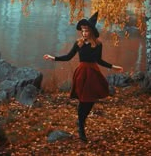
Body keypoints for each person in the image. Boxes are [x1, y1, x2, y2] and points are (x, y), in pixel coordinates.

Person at [43, 12, 123, 142]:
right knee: (83, 99)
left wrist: (114, 67)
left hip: (93, 73)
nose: (84, 33)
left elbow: (100, 61)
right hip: (82, 74)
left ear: (91, 31)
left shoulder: (98, 44)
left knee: (90, 100)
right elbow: (68, 56)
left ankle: (81, 120)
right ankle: (81, 126)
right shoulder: (78, 43)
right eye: (83, 30)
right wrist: (53, 58)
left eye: (86, 30)